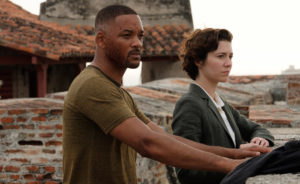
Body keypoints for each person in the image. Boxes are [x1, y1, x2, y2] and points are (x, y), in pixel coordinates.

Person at [62, 6, 271, 184]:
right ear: (101, 40)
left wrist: (235, 154)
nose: (137, 43)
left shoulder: (117, 92)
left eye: (140, 36)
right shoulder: (93, 85)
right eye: (127, 35)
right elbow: (148, 144)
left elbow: (164, 138)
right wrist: (231, 165)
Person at [171, 28, 275, 184]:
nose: (228, 64)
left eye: (230, 56)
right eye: (221, 56)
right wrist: (237, 159)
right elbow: (185, 170)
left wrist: (260, 139)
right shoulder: (189, 104)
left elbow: (257, 128)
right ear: (198, 60)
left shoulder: (221, 103)